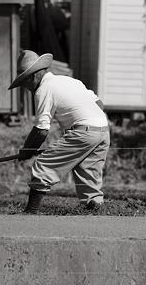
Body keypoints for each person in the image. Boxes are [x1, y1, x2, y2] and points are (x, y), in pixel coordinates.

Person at [9, 50, 110, 214]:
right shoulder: (70, 81)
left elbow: (41, 130)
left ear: (32, 76)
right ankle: (94, 211)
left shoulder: (44, 90)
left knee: (44, 166)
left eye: (24, 83)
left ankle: (31, 211)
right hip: (103, 131)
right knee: (88, 176)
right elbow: (99, 104)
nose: (26, 88)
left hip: (83, 132)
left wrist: (27, 151)